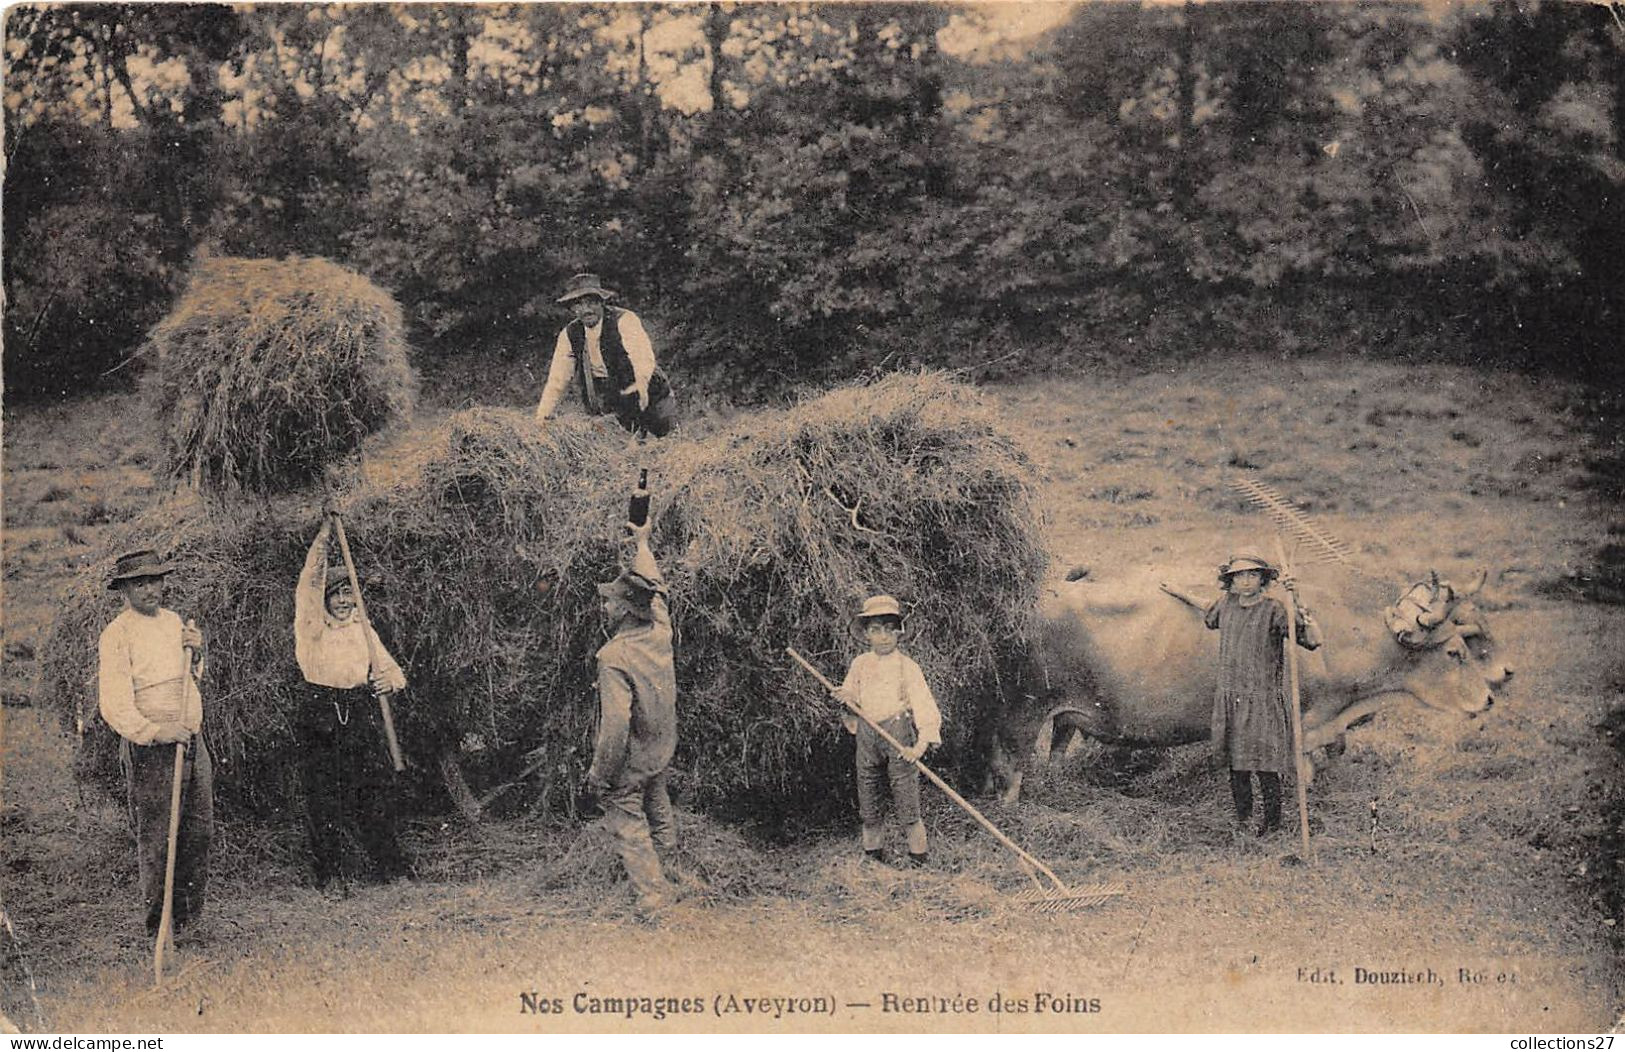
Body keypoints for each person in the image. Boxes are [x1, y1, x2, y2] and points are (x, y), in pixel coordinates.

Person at [97, 549, 213, 938]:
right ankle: (160, 927)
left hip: (191, 740)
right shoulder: (117, 634)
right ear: (124, 590)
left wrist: (197, 653)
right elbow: (113, 703)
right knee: (160, 838)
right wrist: (155, 731)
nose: (150, 589)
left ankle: (189, 922)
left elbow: (190, 676)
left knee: (198, 833)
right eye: (139, 583)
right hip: (153, 748)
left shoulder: (174, 622)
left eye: (155, 580)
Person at [293, 515, 411, 887]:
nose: (343, 601)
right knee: (325, 797)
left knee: (373, 791)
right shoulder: (311, 628)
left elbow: (395, 673)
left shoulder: (362, 629)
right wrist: (325, 537)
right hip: (321, 711)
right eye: (336, 594)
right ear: (324, 600)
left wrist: (387, 682)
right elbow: (307, 586)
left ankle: (389, 867)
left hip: (360, 710)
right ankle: (330, 875)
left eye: (348, 594)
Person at [578, 519, 680, 917]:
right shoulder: (660, 630)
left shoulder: (613, 658)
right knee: (658, 807)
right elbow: (655, 587)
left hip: (632, 759)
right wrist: (642, 541)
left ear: (623, 612)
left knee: (630, 824)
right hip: (661, 748)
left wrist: (600, 774)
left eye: (610, 602)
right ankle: (672, 873)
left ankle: (653, 900)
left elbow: (616, 726)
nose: (605, 607)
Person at [1202, 554, 1323, 837]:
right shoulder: (1225, 605)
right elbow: (1209, 616)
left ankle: (1272, 825)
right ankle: (1243, 820)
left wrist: (1298, 600)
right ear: (1231, 581)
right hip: (1232, 698)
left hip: (1263, 700)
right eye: (1239, 576)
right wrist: (1181, 594)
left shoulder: (1275, 610)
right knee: (1237, 766)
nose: (1246, 581)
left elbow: (1314, 640)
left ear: (1263, 580)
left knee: (1266, 767)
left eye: (1253, 575)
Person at [835, 595, 943, 866]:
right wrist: (845, 696)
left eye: (888, 629)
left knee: (907, 803)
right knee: (869, 802)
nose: (882, 636)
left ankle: (919, 862)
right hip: (868, 736)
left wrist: (918, 747)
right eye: (875, 630)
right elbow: (851, 693)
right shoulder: (860, 664)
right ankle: (874, 863)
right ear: (866, 634)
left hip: (898, 735)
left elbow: (924, 706)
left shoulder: (907, 667)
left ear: (898, 633)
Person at [533, 273, 677, 437]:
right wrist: (542, 416)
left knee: (665, 441)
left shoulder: (625, 320)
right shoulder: (569, 334)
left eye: (591, 303)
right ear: (572, 308)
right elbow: (557, 380)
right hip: (616, 399)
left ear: (602, 302)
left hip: (651, 392)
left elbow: (642, 358)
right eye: (579, 305)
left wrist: (642, 387)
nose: (586, 310)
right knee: (627, 447)